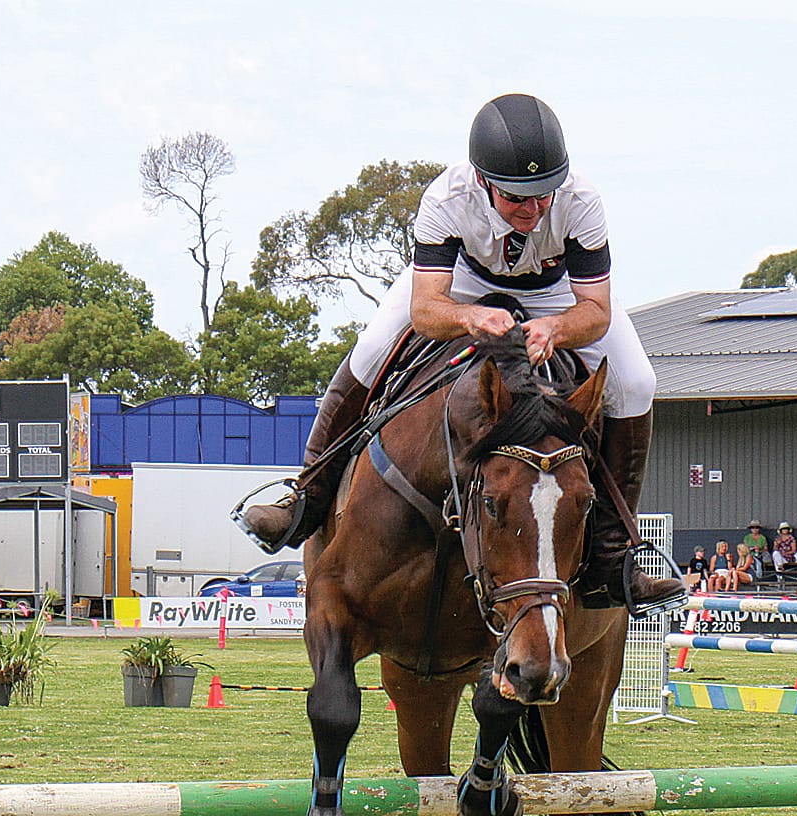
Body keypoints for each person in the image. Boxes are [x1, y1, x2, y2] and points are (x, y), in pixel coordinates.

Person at [237, 93, 681, 612]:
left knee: (637, 383)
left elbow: (597, 310)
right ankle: (307, 497)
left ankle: (611, 554)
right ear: (483, 181)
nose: (534, 209)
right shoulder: (447, 199)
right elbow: (426, 308)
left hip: (556, 290)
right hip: (460, 281)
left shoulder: (581, 201)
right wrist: (470, 317)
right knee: (372, 347)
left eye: (544, 195)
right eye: (518, 198)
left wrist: (556, 329)